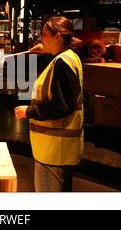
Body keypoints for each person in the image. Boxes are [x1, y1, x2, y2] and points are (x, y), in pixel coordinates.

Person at [14, 16, 84, 192]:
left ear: (57, 36)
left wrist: (28, 111)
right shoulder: (70, 57)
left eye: (44, 35)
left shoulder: (62, 63)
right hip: (60, 150)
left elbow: (61, 106)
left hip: (53, 152)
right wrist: (43, 51)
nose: (40, 39)